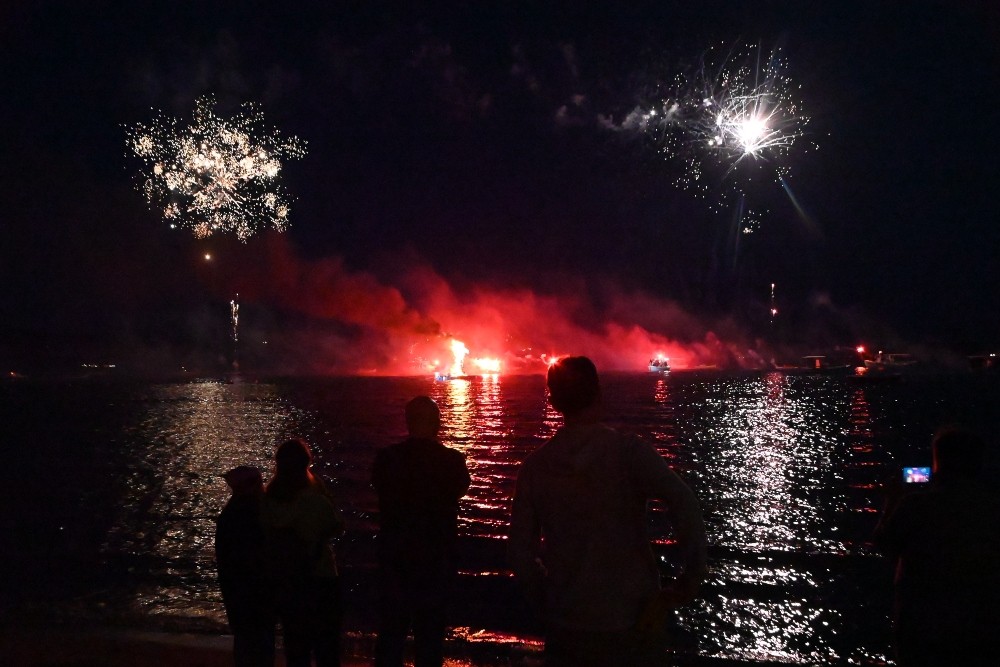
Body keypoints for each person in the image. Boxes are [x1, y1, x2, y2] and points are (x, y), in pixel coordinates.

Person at [509, 356, 708, 666]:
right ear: (598, 393)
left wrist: (544, 600)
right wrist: (691, 577)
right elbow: (684, 501)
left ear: (553, 400)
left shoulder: (534, 468)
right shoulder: (628, 452)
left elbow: (521, 552)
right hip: (632, 620)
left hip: (568, 624)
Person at [874, 427, 1000, 666]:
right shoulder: (992, 507)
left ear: (938, 463)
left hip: (921, 619)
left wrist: (891, 501)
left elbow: (884, 542)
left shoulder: (917, 506)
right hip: (980, 620)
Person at [372, 396, 472, 667]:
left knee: (391, 637)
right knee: (430, 641)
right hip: (436, 561)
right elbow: (460, 490)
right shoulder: (451, 461)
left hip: (395, 560)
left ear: (408, 422)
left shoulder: (386, 460)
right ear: (437, 423)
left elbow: (379, 488)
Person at [261, 439, 345, 667]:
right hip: (320, 578)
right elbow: (336, 524)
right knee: (326, 648)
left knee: (296, 650)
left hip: (288, 581)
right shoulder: (313, 500)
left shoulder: (268, 501)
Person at [216, 465, 275, 667]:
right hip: (256, 588)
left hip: (235, 588)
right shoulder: (256, 512)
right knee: (260, 640)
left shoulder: (230, 514)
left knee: (244, 640)